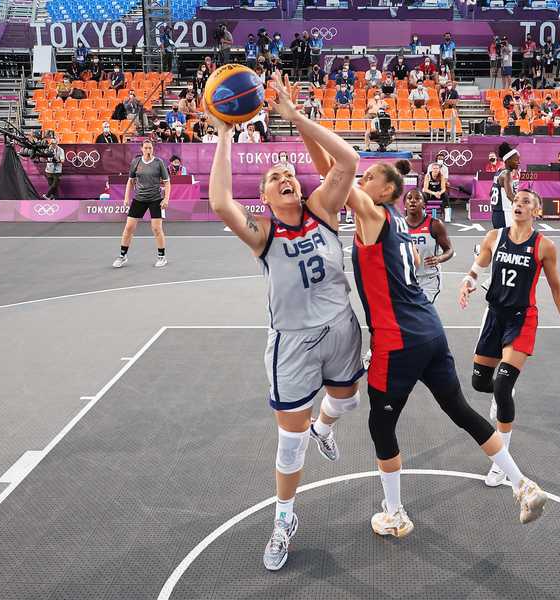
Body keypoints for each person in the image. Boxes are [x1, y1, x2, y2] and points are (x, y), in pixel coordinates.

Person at [207, 73, 364, 570]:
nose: (286, 176)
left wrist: (297, 119)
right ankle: (284, 518)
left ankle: (327, 427)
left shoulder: (323, 210)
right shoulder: (263, 233)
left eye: (290, 172)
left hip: (341, 326)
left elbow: (349, 161)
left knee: (348, 400)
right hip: (293, 343)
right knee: (289, 438)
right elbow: (219, 203)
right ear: (267, 197)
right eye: (275, 177)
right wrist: (226, 132)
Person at [345, 159, 549, 539]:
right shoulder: (402, 226)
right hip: (430, 331)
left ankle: (395, 513)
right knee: (459, 409)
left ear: (387, 191)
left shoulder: (377, 220)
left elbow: (339, 173)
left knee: (381, 423)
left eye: (369, 177)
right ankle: (522, 484)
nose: (362, 180)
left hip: (397, 340)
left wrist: (292, 115)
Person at [461, 189, 560, 487]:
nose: (519, 204)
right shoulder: (494, 237)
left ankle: (501, 463)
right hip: (494, 316)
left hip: (522, 319)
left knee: (502, 386)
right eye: (516, 201)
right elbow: (477, 269)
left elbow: (556, 288)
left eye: (526, 202)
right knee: (480, 383)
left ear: (537, 211)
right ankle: (505, 393)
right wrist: (467, 283)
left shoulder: (544, 246)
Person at [112, 140, 171, 269]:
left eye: (150, 148)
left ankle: (162, 257)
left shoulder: (159, 163)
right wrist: (126, 197)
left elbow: (167, 182)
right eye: (146, 148)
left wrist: (166, 199)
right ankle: (122, 256)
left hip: (155, 199)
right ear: (141, 149)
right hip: (139, 199)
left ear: (152, 149)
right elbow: (130, 181)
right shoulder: (136, 162)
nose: (148, 150)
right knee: (129, 228)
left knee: (156, 228)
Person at [404, 190, 454, 303]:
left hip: (429, 280)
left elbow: (449, 250)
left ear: (424, 204)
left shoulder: (435, 224)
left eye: (417, 198)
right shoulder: (400, 226)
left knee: (420, 314)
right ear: (405, 204)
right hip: (407, 279)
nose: (413, 200)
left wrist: (439, 258)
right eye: (409, 198)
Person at [490, 142, 520, 229]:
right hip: (505, 214)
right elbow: (510, 195)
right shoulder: (507, 174)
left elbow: (490, 193)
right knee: (510, 241)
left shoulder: (499, 172)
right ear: (507, 161)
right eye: (516, 160)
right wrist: (526, 207)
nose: (519, 162)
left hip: (497, 213)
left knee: (503, 241)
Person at [43, 136, 65, 200]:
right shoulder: (47, 149)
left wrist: (58, 160)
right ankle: (54, 199)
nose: (53, 145)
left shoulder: (61, 150)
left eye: (54, 143)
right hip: (48, 170)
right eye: (52, 143)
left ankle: (47, 195)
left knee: (54, 185)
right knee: (52, 186)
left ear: (57, 143)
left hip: (57, 170)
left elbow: (62, 160)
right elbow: (44, 157)